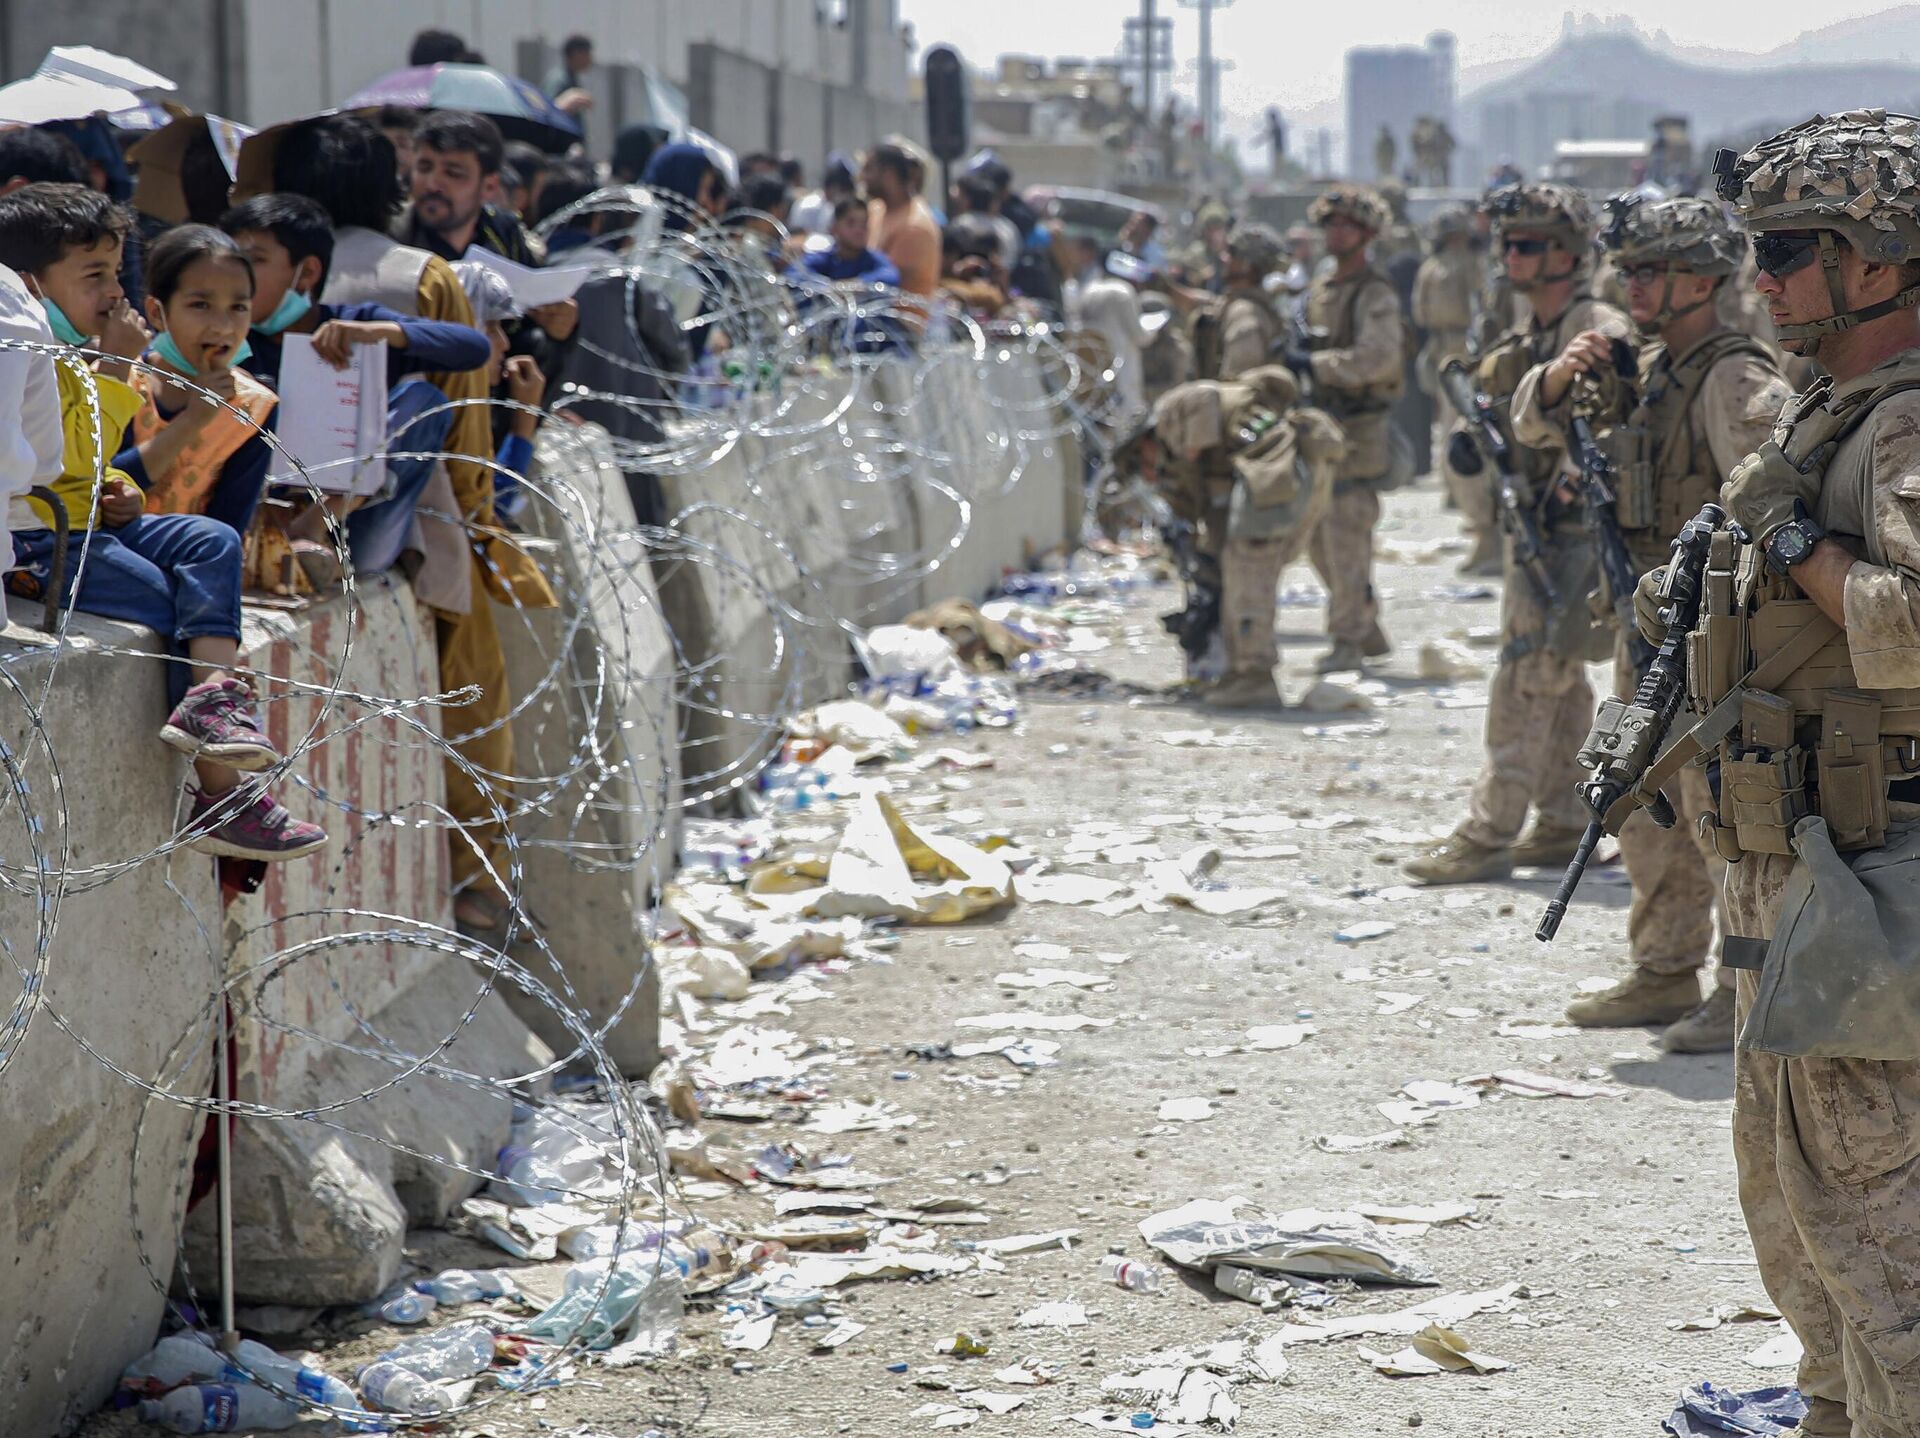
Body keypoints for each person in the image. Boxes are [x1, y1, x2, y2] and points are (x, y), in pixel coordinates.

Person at [1669, 109, 1920, 1438]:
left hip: (1863, 869)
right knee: (1796, 1189)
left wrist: (1789, 543)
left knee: (1877, 1219)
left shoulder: (1904, 424)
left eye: (1784, 250)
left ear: (1874, 262)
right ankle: (1837, 1407)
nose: (1756, 279)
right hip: (1790, 859)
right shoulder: (1833, 411)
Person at [1515, 196, 1790, 1053]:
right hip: (1647, 632)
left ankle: (1742, 992)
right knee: (1642, 808)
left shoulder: (1732, 378)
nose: (1630, 287)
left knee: (1722, 824)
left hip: (1712, 645)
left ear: (1701, 280)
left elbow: (1775, 499)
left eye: (1650, 271)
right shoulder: (1643, 366)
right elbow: (1529, 421)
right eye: (1627, 270)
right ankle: (1665, 968)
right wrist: (1559, 375)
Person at [271, 113, 552, 935]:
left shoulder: (266, 263)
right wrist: (482, 523)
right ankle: (479, 885)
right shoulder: (421, 276)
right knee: (474, 709)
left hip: (287, 510)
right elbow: (462, 431)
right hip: (421, 527)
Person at [0, 183, 326, 861]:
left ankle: (212, 705)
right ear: (34, 284)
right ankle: (222, 791)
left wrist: (120, 488)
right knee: (162, 600)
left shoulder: (74, 354)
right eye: (94, 276)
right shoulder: (33, 352)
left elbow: (91, 468)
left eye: (115, 273)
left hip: (89, 519)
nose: (113, 292)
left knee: (211, 540)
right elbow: (59, 459)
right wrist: (115, 372)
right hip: (41, 539)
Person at [1404, 182, 1631, 885]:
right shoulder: (1528, 328)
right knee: (1558, 675)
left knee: (1527, 673)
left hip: (1574, 527)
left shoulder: (1595, 327)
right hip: (1538, 522)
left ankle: (1489, 830)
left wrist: (1566, 475)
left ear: (1565, 255)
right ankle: (1563, 818)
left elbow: (1617, 425)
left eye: (1526, 245)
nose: (1509, 257)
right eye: (1505, 244)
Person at [220, 193, 490, 574]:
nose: (239, 277)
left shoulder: (355, 325)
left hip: (357, 533)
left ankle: (320, 518)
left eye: (254, 261)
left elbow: (475, 348)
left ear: (307, 273)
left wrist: (381, 332)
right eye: (234, 262)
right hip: (255, 519)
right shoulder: (232, 340)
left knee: (423, 400)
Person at [1122, 366, 1345, 707]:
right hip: (1280, 476)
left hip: (1272, 476)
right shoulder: (1206, 438)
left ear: (1146, 444)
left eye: (1145, 465)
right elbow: (1208, 507)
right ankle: (1240, 672)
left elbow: (1195, 463)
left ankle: (1255, 677)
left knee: (1246, 573)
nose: (1152, 475)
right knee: (1236, 569)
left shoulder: (1173, 412)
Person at [1282, 185, 1407, 674]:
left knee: (1345, 534)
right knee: (1317, 539)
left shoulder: (1374, 293)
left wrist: (1316, 364)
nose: (1335, 233)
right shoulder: (1321, 289)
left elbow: (1378, 357)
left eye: (1346, 226)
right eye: (1329, 225)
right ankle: (1364, 623)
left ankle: (1347, 638)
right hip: (1320, 426)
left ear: (1367, 235)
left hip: (1358, 430)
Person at [117, 225, 276, 537]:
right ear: (157, 312)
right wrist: (193, 420)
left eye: (238, 307)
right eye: (200, 305)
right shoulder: (119, 379)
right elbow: (99, 490)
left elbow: (228, 528)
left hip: (194, 559)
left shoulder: (254, 408)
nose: (223, 327)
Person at [1416, 203, 1497, 574]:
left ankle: (1484, 529)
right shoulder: (1434, 266)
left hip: (1462, 351)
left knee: (1459, 432)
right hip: (1440, 347)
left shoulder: (1470, 265)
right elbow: (1421, 310)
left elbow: (1481, 307)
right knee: (1446, 429)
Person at [1061, 226, 1150, 421]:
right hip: (1122, 366)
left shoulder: (1080, 288)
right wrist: (1154, 330)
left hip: (1091, 366)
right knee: (1127, 418)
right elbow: (1139, 335)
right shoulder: (1121, 291)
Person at [863, 143, 940, 300]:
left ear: (888, 174)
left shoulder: (914, 227)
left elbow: (886, 285)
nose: (862, 176)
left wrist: (841, 286)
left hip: (897, 314)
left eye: (869, 169)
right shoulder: (876, 210)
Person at [802, 198, 900, 288]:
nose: (859, 231)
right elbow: (797, 275)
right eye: (851, 223)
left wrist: (855, 284)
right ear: (834, 228)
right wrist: (829, 288)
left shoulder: (872, 259)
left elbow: (891, 276)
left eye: (864, 224)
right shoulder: (824, 259)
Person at [790, 151, 854, 236]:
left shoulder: (843, 208)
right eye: (843, 190)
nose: (845, 196)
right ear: (829, 188)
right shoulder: (807, 206)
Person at [542, 33, 596, 120]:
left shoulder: (571, 77)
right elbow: (547, 110)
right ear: (577, 54)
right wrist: (564, 104)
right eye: (587, 54)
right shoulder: (559, 79)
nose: (590, 59)